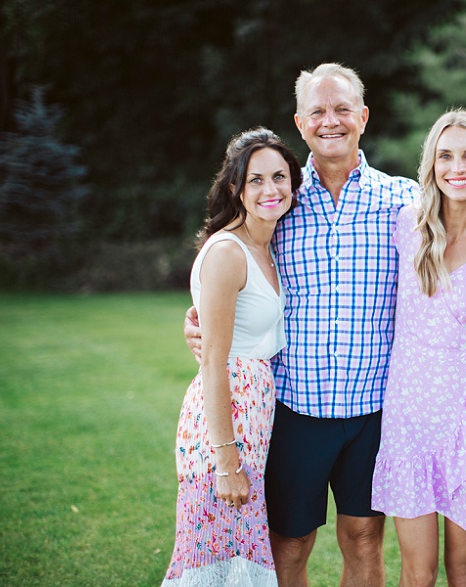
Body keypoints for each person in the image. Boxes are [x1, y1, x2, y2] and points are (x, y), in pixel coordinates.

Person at [185, 63, 420, 587]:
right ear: (300, 121)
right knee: (288, 543)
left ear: (363, 117)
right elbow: (228, 269)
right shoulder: (277, 200)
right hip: (294, 408)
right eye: (318, 111)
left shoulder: (407, 201)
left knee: (364, 538)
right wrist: (199, 321)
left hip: (376, 408)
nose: (330, 120)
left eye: (342, 110)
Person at [370, 110, 466, 587]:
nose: (458, 167)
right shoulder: (407, 227)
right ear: (432, 165)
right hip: (408, 414)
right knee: (417, 572)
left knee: (463, 569)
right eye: (446, 156)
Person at [163, 128, 301, 586]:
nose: (270, 190)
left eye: (279, 177)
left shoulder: (268, 247)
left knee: (236, 565)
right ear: (234, 188)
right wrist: (227, 462)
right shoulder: (228, 252)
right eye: (255, 179)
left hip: (254, 417)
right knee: (210, 565)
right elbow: (213, 363)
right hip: (222, 429)